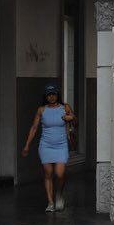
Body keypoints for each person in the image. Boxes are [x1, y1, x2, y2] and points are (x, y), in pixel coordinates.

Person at [22, 84, 76, 212]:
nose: (52, 97)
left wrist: (71, 117)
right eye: (49, 94)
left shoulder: (65, 107)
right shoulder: (41, 110)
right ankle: (50, 202)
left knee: (60, 173)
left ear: (58, 95)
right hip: (46, 145)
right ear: (46, 96)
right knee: (48, 174)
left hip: (61, 145)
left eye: (54, 94)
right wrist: (27, 145)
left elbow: (76, 122)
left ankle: (59, 194)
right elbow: (34, 128)